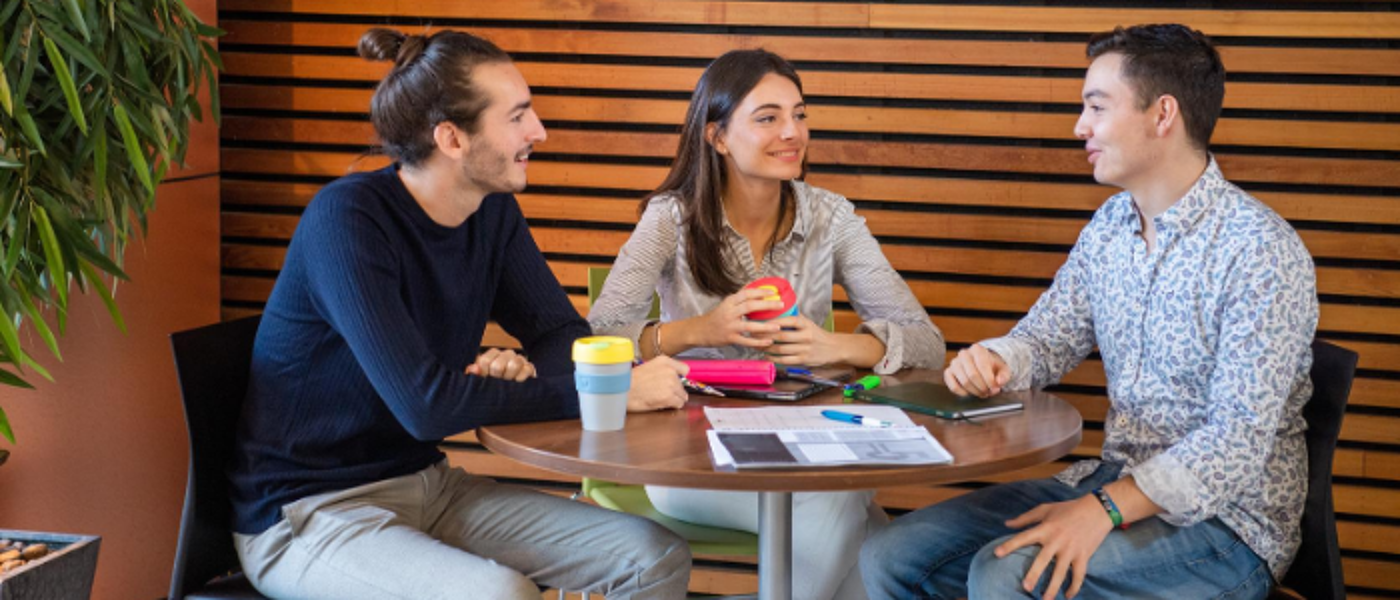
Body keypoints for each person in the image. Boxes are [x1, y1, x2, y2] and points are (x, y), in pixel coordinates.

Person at [228, 28, 695, 600]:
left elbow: (557, 334)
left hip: (429, 487)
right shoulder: (348, 221)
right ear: (451, 137)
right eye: (517, 117)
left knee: (653, 557)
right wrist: (610, 392)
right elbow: (426, 407)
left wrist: (546, 374)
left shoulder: (491, 213)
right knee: (499, 595)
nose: (538, 132)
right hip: (309, 513)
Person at [860, 24, 1318, 600]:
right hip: (1113, 481)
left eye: (1097, 107)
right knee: (893, 555)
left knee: (1006, 577)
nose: (1081, 127)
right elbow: (1048, 337)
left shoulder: (1259, 250)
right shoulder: (1110, 226)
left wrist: (1104, 509)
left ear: (1162, 114)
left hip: (1227, 527)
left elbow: (1232, 445)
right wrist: (997, 358)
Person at [589, 49, 946, 600]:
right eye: (768, 117)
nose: (792, 132)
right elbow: (601, 336)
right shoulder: (670, 218)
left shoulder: (832, 217)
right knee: (856, 519)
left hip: (809, 440)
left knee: (870, 538)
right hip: (688, 456)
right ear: (717, 137)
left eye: (799, 114)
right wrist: (699, 331)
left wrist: (839, 345)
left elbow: (929, 344)